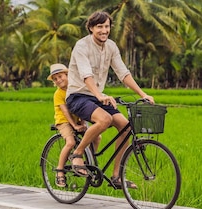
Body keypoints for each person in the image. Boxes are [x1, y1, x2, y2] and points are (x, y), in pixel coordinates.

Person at [65, 11, 154, 189]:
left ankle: (117, 176)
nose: (104, 30)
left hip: (97, 97)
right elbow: (86, 75)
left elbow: (123, 73)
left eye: (107, 26)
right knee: (105, 119)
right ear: (91, 28)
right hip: (77, 96)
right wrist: (99, 95)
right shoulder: (81, 46)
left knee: (126, 126)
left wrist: (142, 94)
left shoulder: (111, 47)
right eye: (100, 27)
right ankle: (78, 154)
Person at [48, 63, 101, 187]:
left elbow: (82, 106)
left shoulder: (76, 88)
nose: (58, 80)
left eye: (60, 76)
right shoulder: (58, 94)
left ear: (67, 75)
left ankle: (87, 161)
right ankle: (60, 171)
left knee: (96, 137)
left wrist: (82, 122)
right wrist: (75, 126)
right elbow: (65, 111)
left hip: (77, 120)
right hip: (64, 121)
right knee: (70, 142)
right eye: (55, 79)